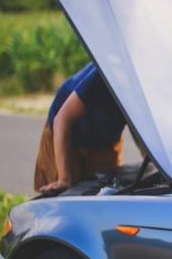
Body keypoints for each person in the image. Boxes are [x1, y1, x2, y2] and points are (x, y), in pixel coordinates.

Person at [34, 62, 126, 193]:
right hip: (66, 132)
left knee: (105, 193)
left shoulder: (149, 86)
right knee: (62, 195)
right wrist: (63, 179)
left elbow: (141, 130)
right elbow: (62, 120)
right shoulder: (103, 76)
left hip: (104, 140)